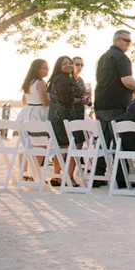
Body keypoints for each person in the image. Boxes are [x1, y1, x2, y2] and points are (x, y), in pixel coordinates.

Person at [93, 30, 135, 187]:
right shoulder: (121, 57)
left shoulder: (103, 57)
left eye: (129, 41)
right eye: (126, 40)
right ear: (116, 40)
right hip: (116, 105)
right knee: (120, 142)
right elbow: (126, 80)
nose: (128, 44)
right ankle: (122, 180)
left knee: (103, 142)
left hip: (100, 103)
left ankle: (97, 176)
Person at [47, 56, 90, 187]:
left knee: (62, 146)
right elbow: (66, 99)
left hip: (63, 116)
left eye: (70, 63)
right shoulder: (62, 79)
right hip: (66, 117)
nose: (69, 66)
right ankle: (69, 177)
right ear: (58, 66)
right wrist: (81, 100)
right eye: (64, 64)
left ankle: (58, 176)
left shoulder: (66, 79)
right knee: (75, 145)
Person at [15, 59, 50, 181]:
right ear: (37, 69)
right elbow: (45, 102)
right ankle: (35, 173)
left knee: (26, 144)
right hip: (37, 113)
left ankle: (23, 172)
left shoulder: (28, 83)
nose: (47, 70)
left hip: (26, 112)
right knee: (40, 143)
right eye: (44, 68)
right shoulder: (40, 83)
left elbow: (24, 101)